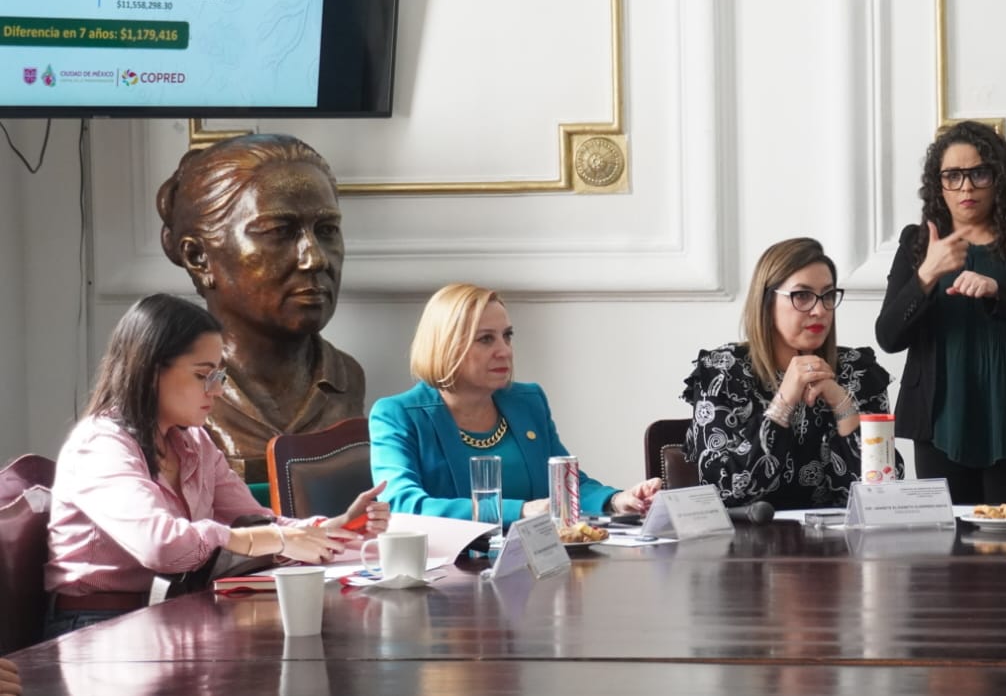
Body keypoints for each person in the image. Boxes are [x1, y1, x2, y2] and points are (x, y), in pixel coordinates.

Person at [46, 295, 387, 634]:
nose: (217, 391)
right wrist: (261, 538)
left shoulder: (194, 442)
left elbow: (255, 522)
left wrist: (336, 526)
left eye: (219, 376)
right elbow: (161, 546)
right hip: (96, 626)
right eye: (203, 375)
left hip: (169, 612)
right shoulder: (100, 445)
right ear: (151, 372)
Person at [875, 120, 1006, 504]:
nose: (966, 187)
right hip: (939, 421)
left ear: (998, 179)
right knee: (946, 535)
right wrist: (927, 274)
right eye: (953, 176)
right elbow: (888, 337)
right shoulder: (918, 243)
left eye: (978, 173)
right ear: (939, 184)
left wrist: (1000, 291)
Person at [158, 133, 364, 483]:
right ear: (199, 257)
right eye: (279, 231)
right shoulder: (166, 392)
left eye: (327, 230)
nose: (315, 258)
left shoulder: (347, 377)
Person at [371, 283, 658, 524]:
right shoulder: (398, 415)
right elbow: (401, 505)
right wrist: (519, 511)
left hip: (537, 562)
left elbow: (565, 485)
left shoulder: (528, 402)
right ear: (445, 346)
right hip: (451, 567)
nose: (504, 351)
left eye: (507, 336)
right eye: (486, 339)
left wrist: (616, 500)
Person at [683, 237, 901, 508]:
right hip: (749, 535)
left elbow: (883, 494)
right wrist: (784, 401)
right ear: (766, 301)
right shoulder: (724, 372)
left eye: (828, 295)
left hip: (837, 535)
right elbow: (725, 490)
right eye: (802, 296)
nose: (819, 310)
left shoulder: (856, 371)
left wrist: (842, 404)